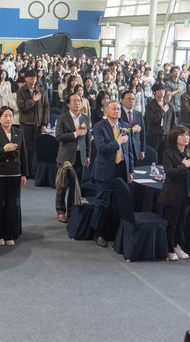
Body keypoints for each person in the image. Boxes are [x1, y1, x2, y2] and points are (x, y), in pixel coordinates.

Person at [88, 101, 134, 247]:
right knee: (103, 202)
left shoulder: (125, 126)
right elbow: (101, 148)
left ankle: (115, 231)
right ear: (106, 111)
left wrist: (130, 170)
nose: (117, 111)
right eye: (114, 109)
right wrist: (118, 142)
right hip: (106, 169)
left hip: (122, 168)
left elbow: (129, 150)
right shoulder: (99, 126)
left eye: (119, 109)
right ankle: (99, 232)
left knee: (119, 202)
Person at [0, 106, 25, 246]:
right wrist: (3, 149)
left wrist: (24, 174)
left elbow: (24, 154)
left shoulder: (18, 132)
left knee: (11, 205)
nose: (8, 119)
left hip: (15, 173)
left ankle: (9, 234)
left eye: (10, 116)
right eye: (5, 116)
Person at [158, 125, 190, 261]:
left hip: (187, 194)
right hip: (172, 195)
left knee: (181, 224)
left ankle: (178, 247)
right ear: (175, 137)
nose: (185, 138)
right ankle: (169, 249)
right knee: (171, 224)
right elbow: (169, 173)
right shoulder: (168, 153)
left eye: (187, 135)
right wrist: (184, 165)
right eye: (182, 135)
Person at [54, 93, 92, 224]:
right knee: (62, 186)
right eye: (74, 101)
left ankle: (71, 210)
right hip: (65, 157)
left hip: (80, 157)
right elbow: (58, 137)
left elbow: (88, 139)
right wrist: (76, 133)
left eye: (79, 101)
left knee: (75, 186)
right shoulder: (62, 118)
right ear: (68, 104)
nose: (77, 103)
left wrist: (87, 156)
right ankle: (60, 211)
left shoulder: (85, 118)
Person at [16, 69, 49, 180]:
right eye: (30, 77)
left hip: (38, 124)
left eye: (34, 77)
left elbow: (46, 108)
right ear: (25, 79)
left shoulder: (41, 91)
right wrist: (33, 100)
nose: (33, 79)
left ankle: (33, 171)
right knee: (24, 148)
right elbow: (22, 108)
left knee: (36, 148)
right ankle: (24, 171)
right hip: (25, 123)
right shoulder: (21, 91)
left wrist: (44, 123)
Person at [145, 83, 174, 155]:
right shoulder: (150, 105)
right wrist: (162, 111)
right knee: (153, 154)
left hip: (166, 134)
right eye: (159, 90)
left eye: (163, 90)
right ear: (154, 92)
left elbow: (172, 121)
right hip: (154, 133)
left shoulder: (169, 105)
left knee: (164, 155)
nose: (162, 92)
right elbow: (151, 119)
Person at [119, 90, 146, 165]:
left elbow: (142, 134)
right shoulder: (118, 114)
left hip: (136, 149)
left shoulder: (138, 114)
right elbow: (121, 131)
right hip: (123, 148)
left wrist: (142, 150)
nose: (131, 101)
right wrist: (133, 129)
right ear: (122, 101)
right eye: (129, 99)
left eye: (133, 99)